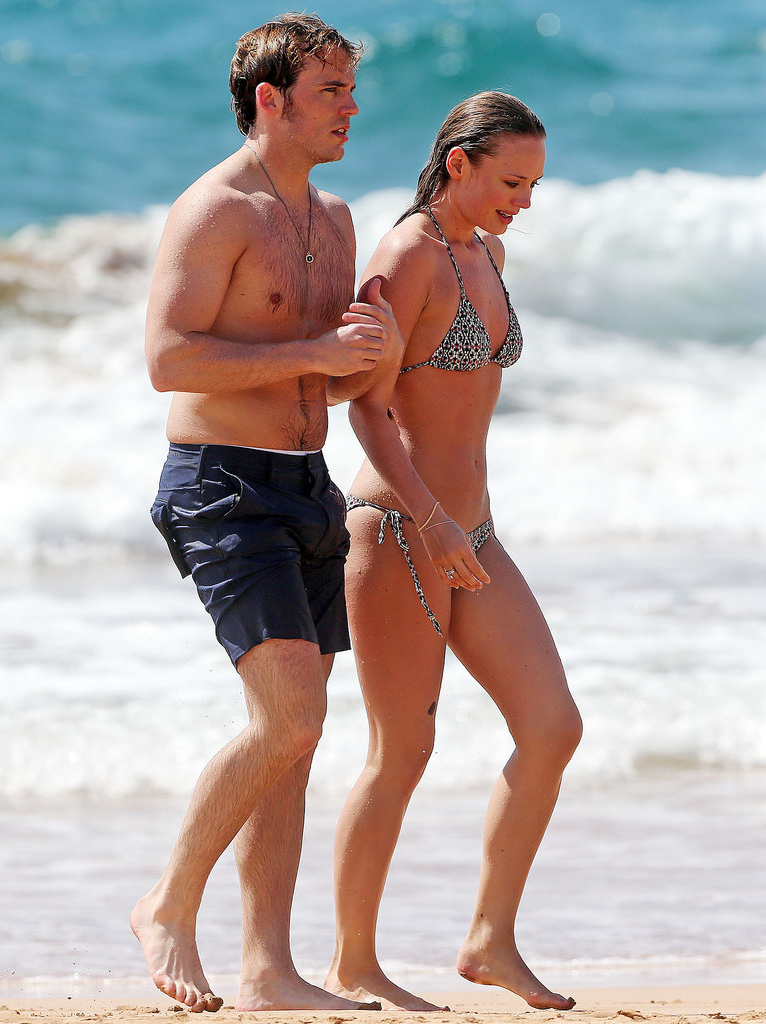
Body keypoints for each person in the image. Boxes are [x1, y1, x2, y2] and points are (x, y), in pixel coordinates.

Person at [130, 13, 401, 1013]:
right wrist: (316, 355)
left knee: (292, 741)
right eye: (331, 90)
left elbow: (320, 377)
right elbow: (170, 358)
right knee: (290, 716)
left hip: (305, 483)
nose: (350, 107)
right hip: (222, 484)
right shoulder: (216, 210)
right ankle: (166, 902)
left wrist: (366, 356)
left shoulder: (333, 218)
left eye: (350, 89)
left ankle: (268, 972)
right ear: (269, 101)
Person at [324, 91, 583, 1011]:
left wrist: (457, 521)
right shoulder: (406, 255)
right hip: (400, 527)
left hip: (471, 531)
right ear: (458, 162)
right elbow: (366, 407)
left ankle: (488, 940)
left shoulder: (487, 253)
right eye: (511, 181)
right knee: (402, 749)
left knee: (552, 728)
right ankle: (353, 962)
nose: (524, 200)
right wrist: (428, 516)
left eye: (534, 184)